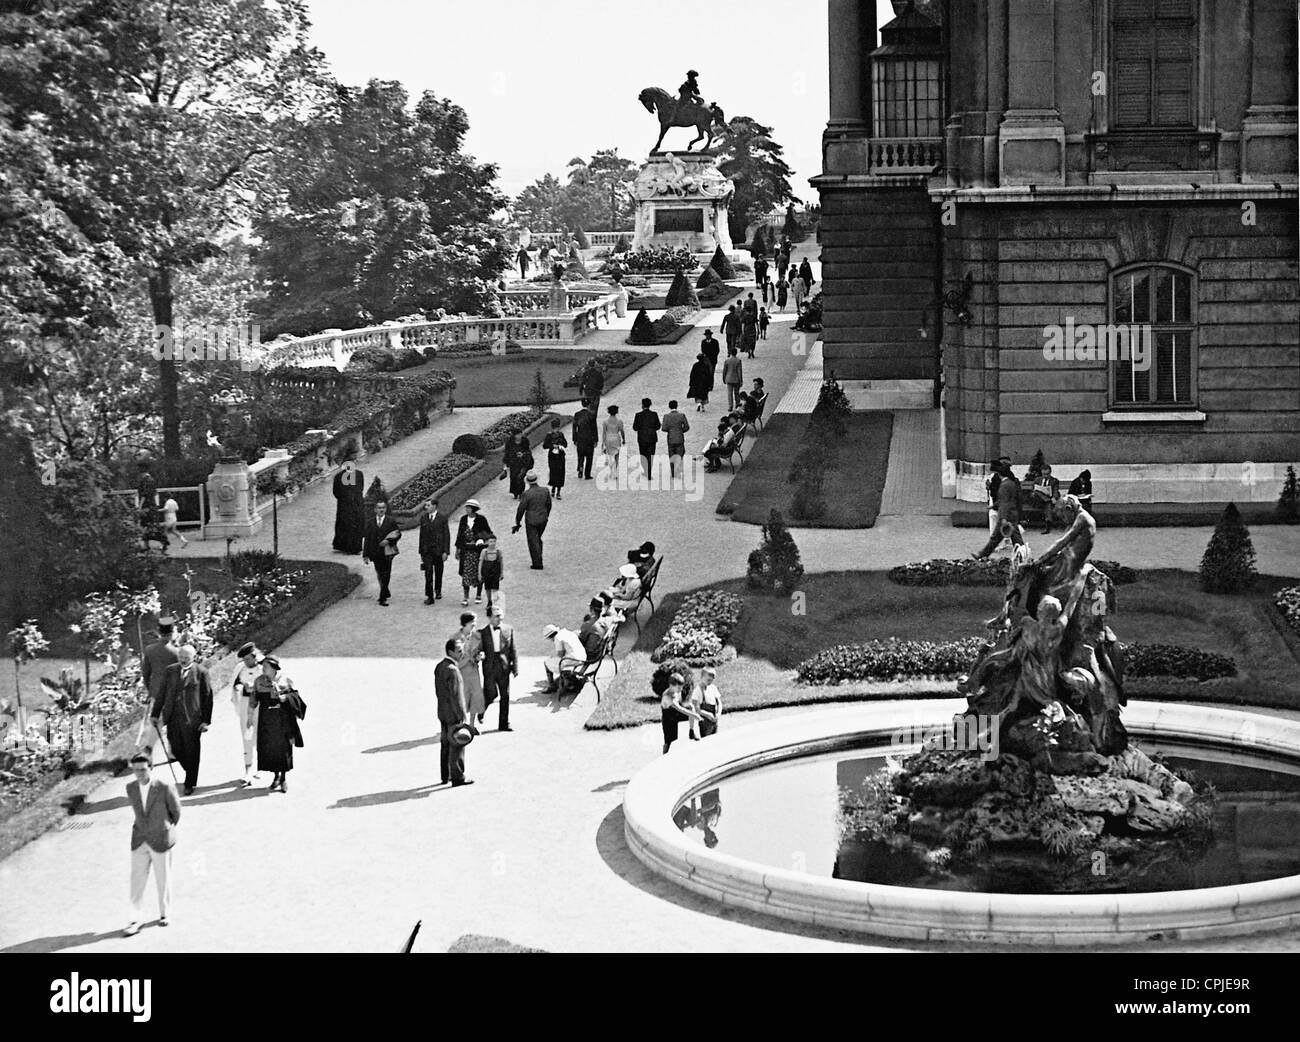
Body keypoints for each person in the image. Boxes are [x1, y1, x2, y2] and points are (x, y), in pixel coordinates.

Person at [123, 751, 181, 936]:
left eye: (143, 769)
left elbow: (176, 811)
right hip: (139, 839)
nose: (139, 774)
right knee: (136, 880)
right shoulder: (130, 788)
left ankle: (165, 914)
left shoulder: (164, 787)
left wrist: (165, 828)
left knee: (162, 877)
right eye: (136, 770)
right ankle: (135, 918)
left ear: (151, 768)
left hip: (160, 839)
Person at [153, 644, 213, 795]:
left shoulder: (201, 672)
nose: (183, 660)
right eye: (181, 657)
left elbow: (207, 698)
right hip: (172, 717)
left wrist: (206, 721)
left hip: (193, 720)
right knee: (176, 749)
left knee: (192, 751)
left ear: (194, 657)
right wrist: (155, 714)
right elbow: (161, 694)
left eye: (187, 658)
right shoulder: (170, 671)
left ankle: (190, 782)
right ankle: (191, 769)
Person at [253, 655, 305, 793]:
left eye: (265, 666)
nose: (263, 669)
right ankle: (275, 777)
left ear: (273, 668)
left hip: (283, 720)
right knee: (270, 749)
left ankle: (283, 778)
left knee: (283, 749)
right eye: (262, 666)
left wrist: (285, 698)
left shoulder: (285, 680)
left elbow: (297, 698)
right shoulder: (259, 681)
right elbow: (254, 701)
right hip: (267, 721)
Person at [435, 638, 472, 787]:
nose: (462, 653)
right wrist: (462, 716)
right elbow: (456, 696)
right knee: (457, 745)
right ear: (451, 652)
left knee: (445, 745)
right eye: (459, 651)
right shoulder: (453, 670)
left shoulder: (440, 667)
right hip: (453, 714)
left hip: (442, 712)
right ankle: (458, 777)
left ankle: (445, 776)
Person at [479, 604, 517, 732]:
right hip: (489, 667)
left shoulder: (508, 629)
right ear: (489, 617)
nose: (499, 618)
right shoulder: (482, 633)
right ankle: (481, 710)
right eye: (496, 616)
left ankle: (504, 723)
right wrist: (479, 655)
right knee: (490, 694)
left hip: (503, 667)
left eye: (501, 615)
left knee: (505, 695)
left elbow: (513, 649)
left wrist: (515, 667)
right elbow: (478, 649)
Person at [974, 460, 1022, 559]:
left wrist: (1003, 518)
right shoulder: (1011, 483)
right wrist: (994, 506)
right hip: (1012, 514)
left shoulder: (1004, 486)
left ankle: (981, 555)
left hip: (1006, 516)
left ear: (999, 474)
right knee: (1015, 538)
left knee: (996, 538)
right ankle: (1023, 554)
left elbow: (1004, 503)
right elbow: (1009, 500)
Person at [230, 641, 262, 786]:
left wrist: (255, 688)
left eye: (248, 659)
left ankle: (261, 764)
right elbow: (234, 684)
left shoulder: (263, 667)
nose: (246, 662)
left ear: (255, 657)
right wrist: (240, 687)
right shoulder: (240, 668)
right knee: (247, 735)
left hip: (261, 706)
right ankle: (248, 768)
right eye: (244, 660)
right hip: (245, 705)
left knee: (261, 734)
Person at [362, 499, 401, 606]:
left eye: (383, 508)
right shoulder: (370, 522)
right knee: (379, 572)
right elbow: (367, 539)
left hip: (387, 552)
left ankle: (382, 597)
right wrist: (365, 555)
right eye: (379, 508)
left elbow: (398, 534)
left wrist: (388, 541)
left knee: (386, 573)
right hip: (375, 552)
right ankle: (385, 590)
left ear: (386, 509)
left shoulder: (390, 521)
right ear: (375, 509)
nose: (381, 510)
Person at [452, 611, 485, 731]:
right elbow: (454, 658)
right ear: (465, 624)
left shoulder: (477, 637)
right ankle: (461, 724)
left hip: (474, 672)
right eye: (472, 623)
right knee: (462, 698)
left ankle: (471, 725)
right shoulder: (455, 638)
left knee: (475, 697)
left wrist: (479, 657)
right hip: (461, 672)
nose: (474, 625)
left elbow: (478, 652)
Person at [456, 500, 493, 605]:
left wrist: (481, 539)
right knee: (465, 573)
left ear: (474, 509)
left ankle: (478, 595)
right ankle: (466, 596)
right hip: (466, 550)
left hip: (478, 551)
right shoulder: (463, 519)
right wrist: (458, 549)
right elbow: (459, 534)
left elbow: (488, 533)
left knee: (479, 572)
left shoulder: (481, 519)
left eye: (469, 507)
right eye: (466, 507)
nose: (467, 509)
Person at [513, 471, 552, 569]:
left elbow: (521, 509)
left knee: (533, 540)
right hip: (543, 518)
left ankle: (537, 563)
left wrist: (517, 521)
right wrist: (546, 515)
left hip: (531, 520)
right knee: (538, 538)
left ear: (528, 482)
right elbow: (549, 505)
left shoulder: (527, 494)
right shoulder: (545, 490)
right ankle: (539, 557)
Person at [142, 616, 179, 719]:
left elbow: (145, 673)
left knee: (158, 720)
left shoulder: (149, 650)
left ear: (159, 632)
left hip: (155, 691)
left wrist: (149, 691)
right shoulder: (176, 652)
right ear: (172, 633)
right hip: (171, 693)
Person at [418, 498, 451, 604]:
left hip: (438, 550)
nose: (426, 507)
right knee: (428, 573)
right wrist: (421, 551)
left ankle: (438, 590)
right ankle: (429, 595)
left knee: (438, 571)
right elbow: (421, 536)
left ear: (434, 506)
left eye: (428, 505)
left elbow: (446, 535)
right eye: (426, 505)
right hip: (427, 551)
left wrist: (446, 551)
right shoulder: (423, 518)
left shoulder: (442, 518)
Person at [542, 623, 586, 695]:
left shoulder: (557, 638)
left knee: (546, 663)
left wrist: (553, 657)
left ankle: (551, 685)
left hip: (574, 659)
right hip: (582, 656)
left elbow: (560, 654)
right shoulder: (566, 632)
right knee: (554, 661)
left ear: (551, 636)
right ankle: (566, 682)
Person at [660, 673, 700, 753]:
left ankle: (691, 731)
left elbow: (681, 703)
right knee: (669, 740)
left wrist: (690, 707)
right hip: (668, 718)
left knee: (691, 707)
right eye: (679, 687)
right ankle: (664, 754)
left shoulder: (677, 692)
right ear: (671, 685)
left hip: (676, 713)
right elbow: (679, 708)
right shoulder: (667, 696)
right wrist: (694, 715)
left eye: (681, 687)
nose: (681, 689)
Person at [331, 465, 366, 554]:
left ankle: (344, 545)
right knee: (356, 524)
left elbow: (336, 492)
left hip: (344, 504)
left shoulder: (338, 476)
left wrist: (343, 498)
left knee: (344, 524)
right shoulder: (359, 474)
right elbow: (361, 488)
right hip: (356, 503)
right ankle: (355, 547)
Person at [632, 397, 661, 479]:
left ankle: (645, 471)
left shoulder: (638, 415)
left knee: (643, 455)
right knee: (650, 455)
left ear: (642, 405)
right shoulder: (654, 414)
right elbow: (658, 426)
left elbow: (635, 427)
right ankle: (649, 472)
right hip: (652, 437)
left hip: (642, 438)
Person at [662, 400, 690, 479]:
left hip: (671, 438)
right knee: (680, 454)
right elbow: (687, 427)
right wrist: (681, 431)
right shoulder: (681, 415)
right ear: (677, 406)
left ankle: (673, 472)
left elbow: (664, 428)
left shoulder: (666, 416)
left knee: (671, 455)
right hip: (680, 438)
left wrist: (670, 430)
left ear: (669, 406)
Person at [1030, 463, 1061, 534]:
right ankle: (1047, 500)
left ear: (1050, 473)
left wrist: (1054, 497)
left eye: (1047, 474)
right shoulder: (1037, 480)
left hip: (1048, 502)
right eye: (1044, 474)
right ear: (1041, 473)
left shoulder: (1054, 481)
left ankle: (1048, 526)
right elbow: (1033, 490)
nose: (1046, 476)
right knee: (1037, 492)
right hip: (1037, 501)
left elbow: (1056, 491)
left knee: (1048, 504)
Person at [572, 399, 598, 480]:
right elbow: (594, 428)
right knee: (589, 456)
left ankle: (580, 467)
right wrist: (596, 439)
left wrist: (574, 439)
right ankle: (587, 474)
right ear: (589, 405)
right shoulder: (592, 415)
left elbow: (574, 428)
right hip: (589, 438)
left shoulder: (577, 414)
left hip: (580, 438)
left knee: (580, 455)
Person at [503, 431, 534, 499]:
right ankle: (515, 493)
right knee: (513, 477)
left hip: (523, 462)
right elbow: (507, 454)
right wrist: (505, 465)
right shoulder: (509, 443)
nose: (520, 436)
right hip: (513, 462)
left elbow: (528, 451)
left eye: (520, 434)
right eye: (518, 434)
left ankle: (521, 492)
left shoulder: (525, 441)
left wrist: (523, 454)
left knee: (520, 477)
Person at [542, 417, 568, 499]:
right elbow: (544, 446)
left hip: (560, 455)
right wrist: (552, 445)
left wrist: (560, 445)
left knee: (560, 472)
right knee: (553, 472)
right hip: (553, 456)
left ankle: (558, 491)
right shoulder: (549, 435)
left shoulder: (561, 434)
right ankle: (553, 488)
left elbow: (565, 444)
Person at [477, 534, 504, 609]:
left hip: (496, 572)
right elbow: (480, 563)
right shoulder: (484, 552)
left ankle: (495, 602)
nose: (492, 543)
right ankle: (489, 601)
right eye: (491, 541)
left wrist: (502, 573)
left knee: (495, 587)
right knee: (488, 587)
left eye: (494, 541)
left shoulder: (498, 552)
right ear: (487, 542)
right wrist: (479, 573)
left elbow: (501, 562)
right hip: (486, 572)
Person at [695, 666, 723, 738]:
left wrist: (718, 713)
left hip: (714, 718)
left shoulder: (713, 688)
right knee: (706, 740)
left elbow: (719, 702)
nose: (710, 682)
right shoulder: (698, 690)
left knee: (715, 738)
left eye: (712, 680)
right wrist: (707, 714)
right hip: (705, 720)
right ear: (702, 677)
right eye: (708, 680)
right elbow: (697, 708)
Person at [600, 404, 625, 476]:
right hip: (616, 439)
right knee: (617, 455)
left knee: (610, 455)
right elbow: (622, 431)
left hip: (608, 439)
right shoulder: (619, 421)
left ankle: (611, 469)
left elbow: (604, 433)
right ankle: (615, 469)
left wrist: (603, 442)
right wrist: (624, 439)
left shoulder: (605, 422)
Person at [722, 346, 744, 411]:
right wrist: (741, 380)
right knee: (736, 393)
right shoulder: (738, 361)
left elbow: (724, 371)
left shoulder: (727, 360)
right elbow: (739, 371)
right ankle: (737, 404)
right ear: (736, 353)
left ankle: (730, 406)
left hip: (728, 378)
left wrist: (724, 378)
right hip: (736, 379)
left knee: (729, 393)